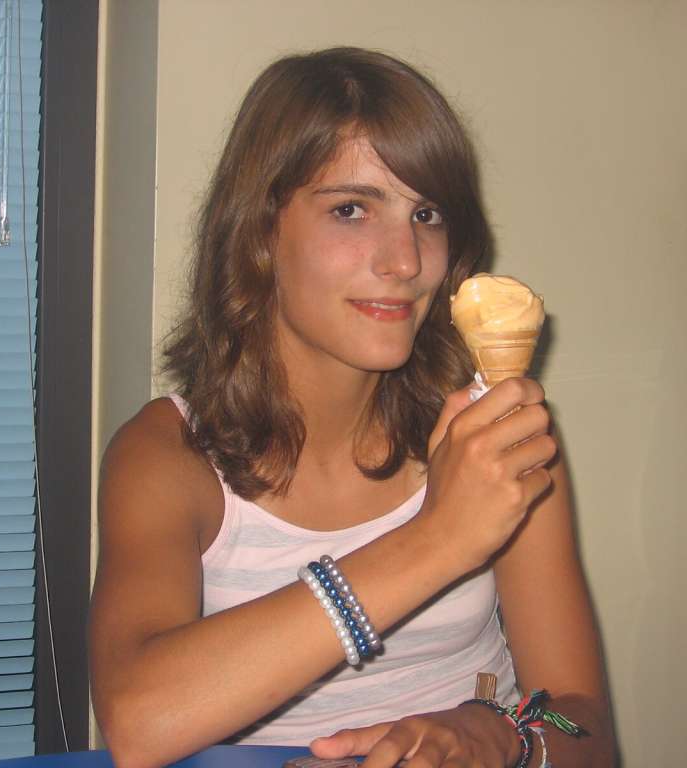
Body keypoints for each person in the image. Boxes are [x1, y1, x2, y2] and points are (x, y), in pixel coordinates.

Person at [88, 47, 617, 768]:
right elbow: (138, 720)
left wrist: (506, 739)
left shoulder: (490, 433)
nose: (405, 260)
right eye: (351, 210)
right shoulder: (170, 456)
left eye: (426, 213)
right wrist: (436, 541)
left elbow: (584, 726)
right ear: (260, 232)